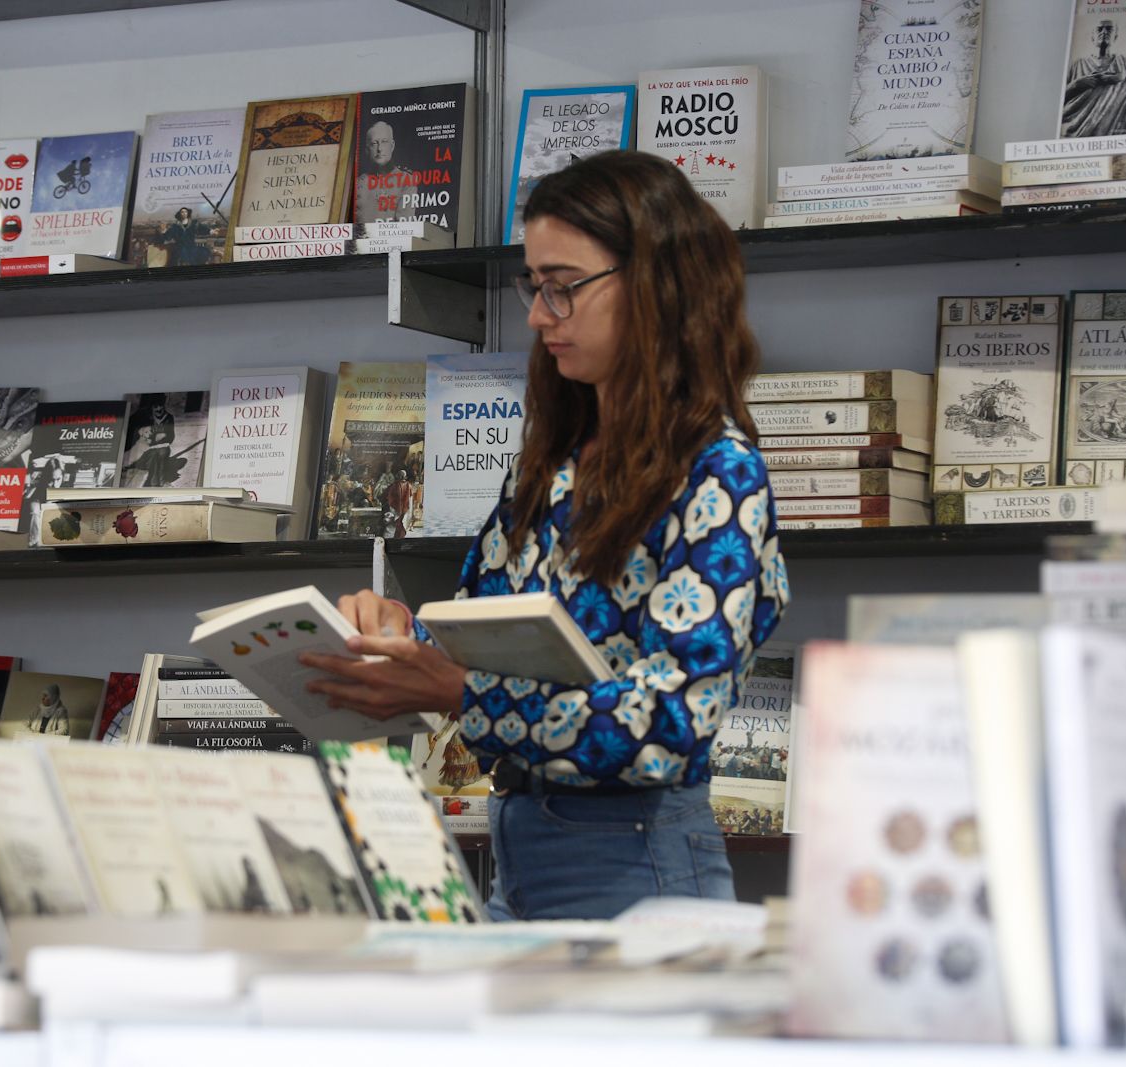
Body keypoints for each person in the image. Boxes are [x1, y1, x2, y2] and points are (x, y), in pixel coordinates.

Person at [301, 150, 789, 921]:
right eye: (535, 286)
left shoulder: (718, 473)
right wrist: (401, 632)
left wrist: (457, 691)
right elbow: (488, 629)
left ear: (658, 284)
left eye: (562, 287)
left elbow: (673, 718)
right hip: (517, 854)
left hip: (638, 865)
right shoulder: (556, 462)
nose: (536, 314)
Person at [353, 119, 417, 225]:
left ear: (392, 146)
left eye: (384, 142)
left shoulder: (406, 180)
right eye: (374, 143)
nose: (379, 149)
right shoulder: (358, 183)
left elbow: (404, 226)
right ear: (367, 150)